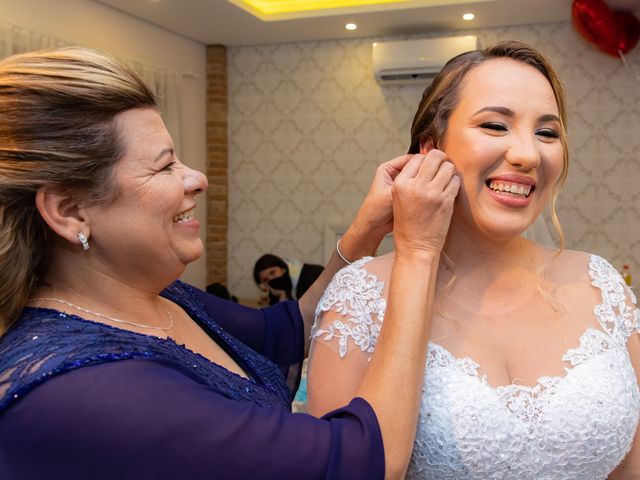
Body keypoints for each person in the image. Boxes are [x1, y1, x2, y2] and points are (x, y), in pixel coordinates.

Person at [0, 47, 459, 479]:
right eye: (164, 167)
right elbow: (363, 461)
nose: (196, 178)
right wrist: (418, 253)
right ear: (69, 211)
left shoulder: (153, 295)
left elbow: (285, 331)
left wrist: (367, 228)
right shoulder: (86, 393)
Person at [308, 40, 640, 479]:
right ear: (430, 148)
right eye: (495, 125)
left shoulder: (601, 284)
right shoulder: (360, 298)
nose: (527, 154)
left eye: (547, 132)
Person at [253, 253, 324, 305]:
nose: (271, 279)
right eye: (266, 279)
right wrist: (282, 295)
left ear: (282, 268)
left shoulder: (312, 275)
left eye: (272, 273)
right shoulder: (274, 292)